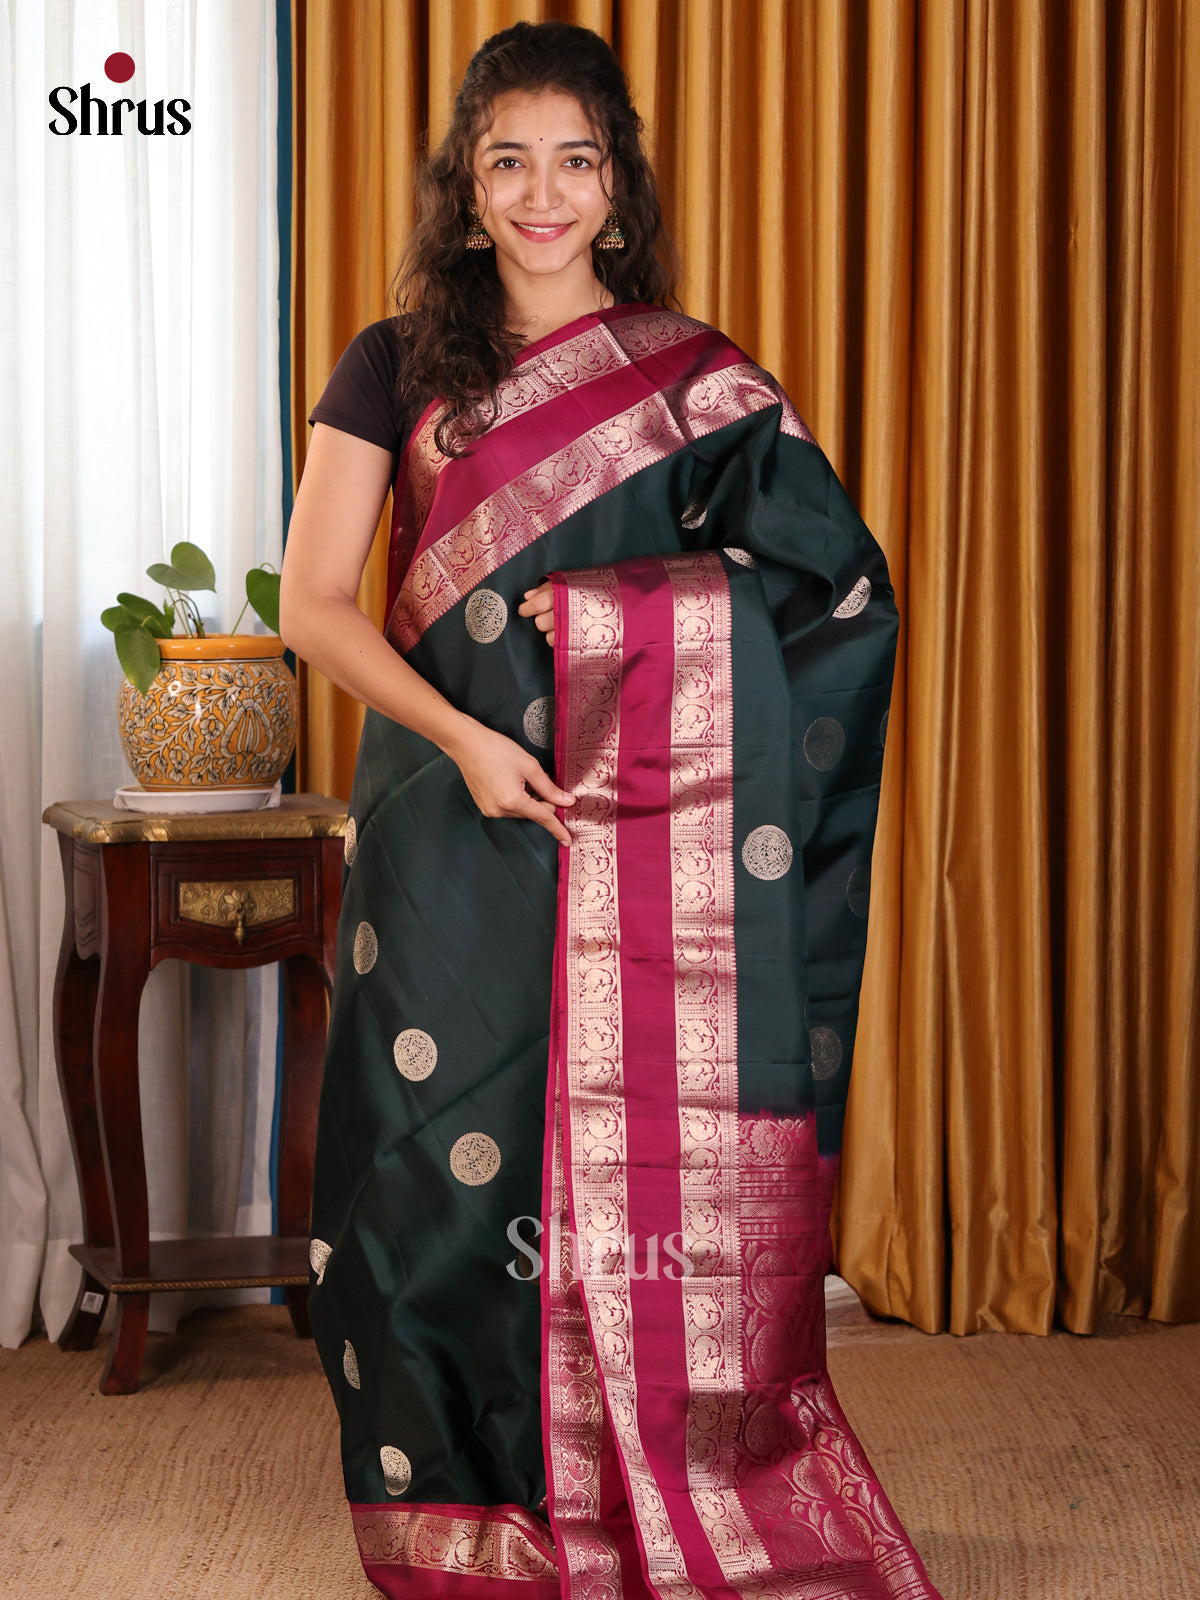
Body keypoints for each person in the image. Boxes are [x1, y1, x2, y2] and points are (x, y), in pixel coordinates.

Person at [280, 20, 942, 1600]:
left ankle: (636, 1480)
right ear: (465, 186)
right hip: (447, 822)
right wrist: (467, 738)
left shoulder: (693, 382)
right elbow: (313, 603)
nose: (541, 195)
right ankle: (473, 1513)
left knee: (608, 1176)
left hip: (638, 842)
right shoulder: (395, 365)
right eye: (507, 161)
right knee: (434, 1170)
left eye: (574, 161)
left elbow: (834, 596)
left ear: (618, 186)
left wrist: (629, 627)